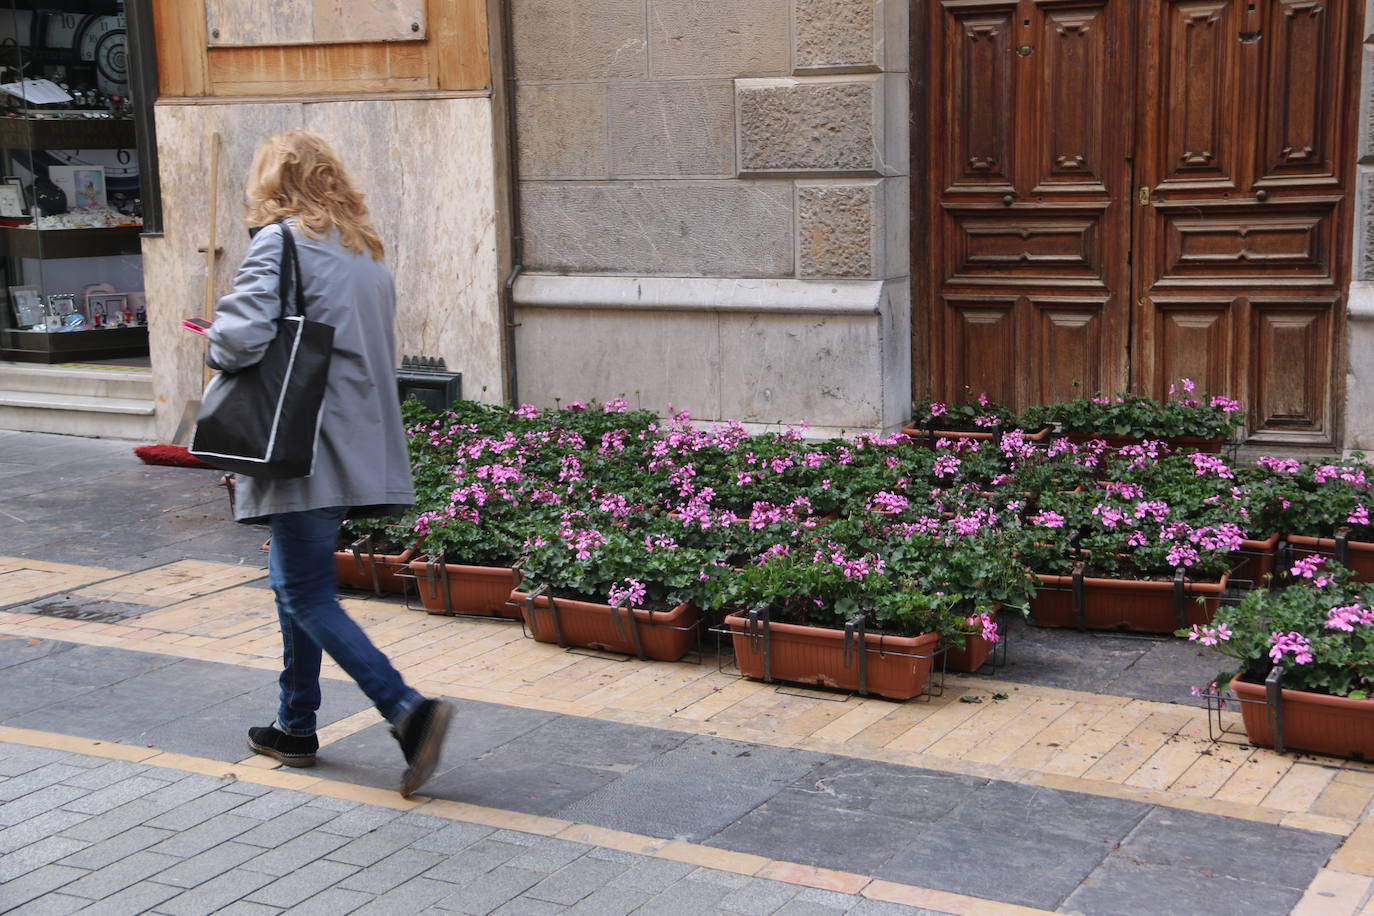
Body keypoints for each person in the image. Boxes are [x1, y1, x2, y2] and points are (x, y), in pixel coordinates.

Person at [204, 130, 452, 797]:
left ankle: (406, 710)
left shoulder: (280, 243)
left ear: (271, 183)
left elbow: (243, 337)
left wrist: (214, 342)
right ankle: (296, 724)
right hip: (352, 440)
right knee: (296, 581)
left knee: (304, 589)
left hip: (301, 445)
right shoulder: (363, 252)